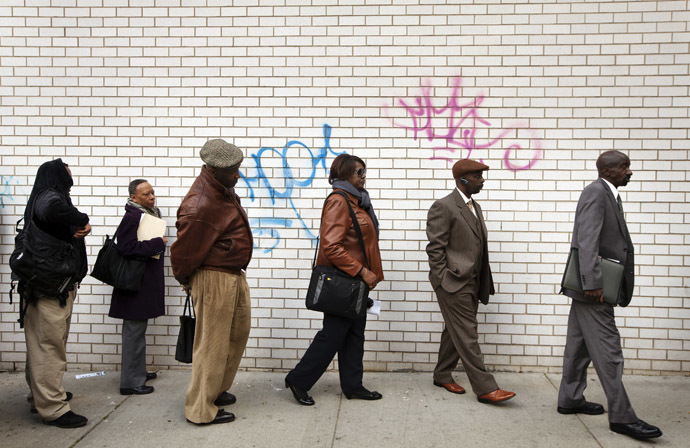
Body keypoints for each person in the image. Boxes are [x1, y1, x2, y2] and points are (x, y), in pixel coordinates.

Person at [557, 150, 662, 440]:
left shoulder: (608, 193)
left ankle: (570, 398)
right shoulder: (596, 192)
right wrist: (592, 282)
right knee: (609, 352)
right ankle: (622, 418)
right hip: (594, 289)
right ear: (608, 170)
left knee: (578, 348)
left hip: (591, 288)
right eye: (624, 167)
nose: (629, 171)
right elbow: (586, 239)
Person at [285, 153, 384, 406]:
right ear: (344, 174)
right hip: (345, 281)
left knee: (354, 334)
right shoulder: (339, 201)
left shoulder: (359, 201)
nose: (364, 176)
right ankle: (299, 379)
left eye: (365, 171)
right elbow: (331, 247)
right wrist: (362, 271)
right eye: (359, 172)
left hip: (356, 284)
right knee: (333, 335)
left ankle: (353, 385)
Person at [170, 139, 252, 425]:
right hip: (214, 277)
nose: (237, 175)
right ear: (214, 170)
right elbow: (182, 252)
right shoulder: (200, 203)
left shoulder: (222, 190)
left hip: (231, 274)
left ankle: (215, 390)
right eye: (233, 171)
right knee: (212, 344)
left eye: (238, 169)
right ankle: (200, 409)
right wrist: (186, 278)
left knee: (235, 335)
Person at [425, 159, 515, 404]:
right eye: (477, 176)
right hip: (453, 282)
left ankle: (442, 374)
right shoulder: (443, 206)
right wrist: (444, 279)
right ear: (463, 179)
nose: (482, 180)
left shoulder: (475, 206)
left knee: (454, 330)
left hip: (473, 282)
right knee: (467, 333)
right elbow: (435, 249)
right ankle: (486, 388)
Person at [22, 159, 91, 428]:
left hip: (50, 286)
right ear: (58, 174)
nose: (71, 174)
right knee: (49, 347)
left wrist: (79, 228)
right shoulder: (49, 196)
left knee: (43, 346)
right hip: (49, 288)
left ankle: (41, 396)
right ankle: (53, 408)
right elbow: (53, 210)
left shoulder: (46, 195)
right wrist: (82, 219)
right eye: (67, 170)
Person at [108, 179, 167, 396]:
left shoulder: (147, 215)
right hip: (134, 284)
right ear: (134, 198)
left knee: (138, 330)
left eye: (152, 193)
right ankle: (130, 382)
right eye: (146, 195)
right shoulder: (132, 216)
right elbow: (125, 247)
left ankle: (137, 371)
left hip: (141, 282)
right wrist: (158, 244)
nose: (152, 197)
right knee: (133, 332)